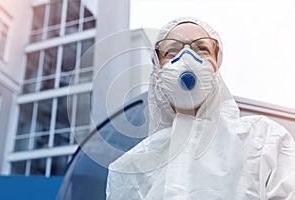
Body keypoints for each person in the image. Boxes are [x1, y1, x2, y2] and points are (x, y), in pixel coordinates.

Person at [106, 17, 295, 199]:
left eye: (202, 49)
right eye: (171, 51)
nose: (187, 58)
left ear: (216, 66)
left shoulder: (263, 140)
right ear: (157, 70)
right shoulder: (132, 169)